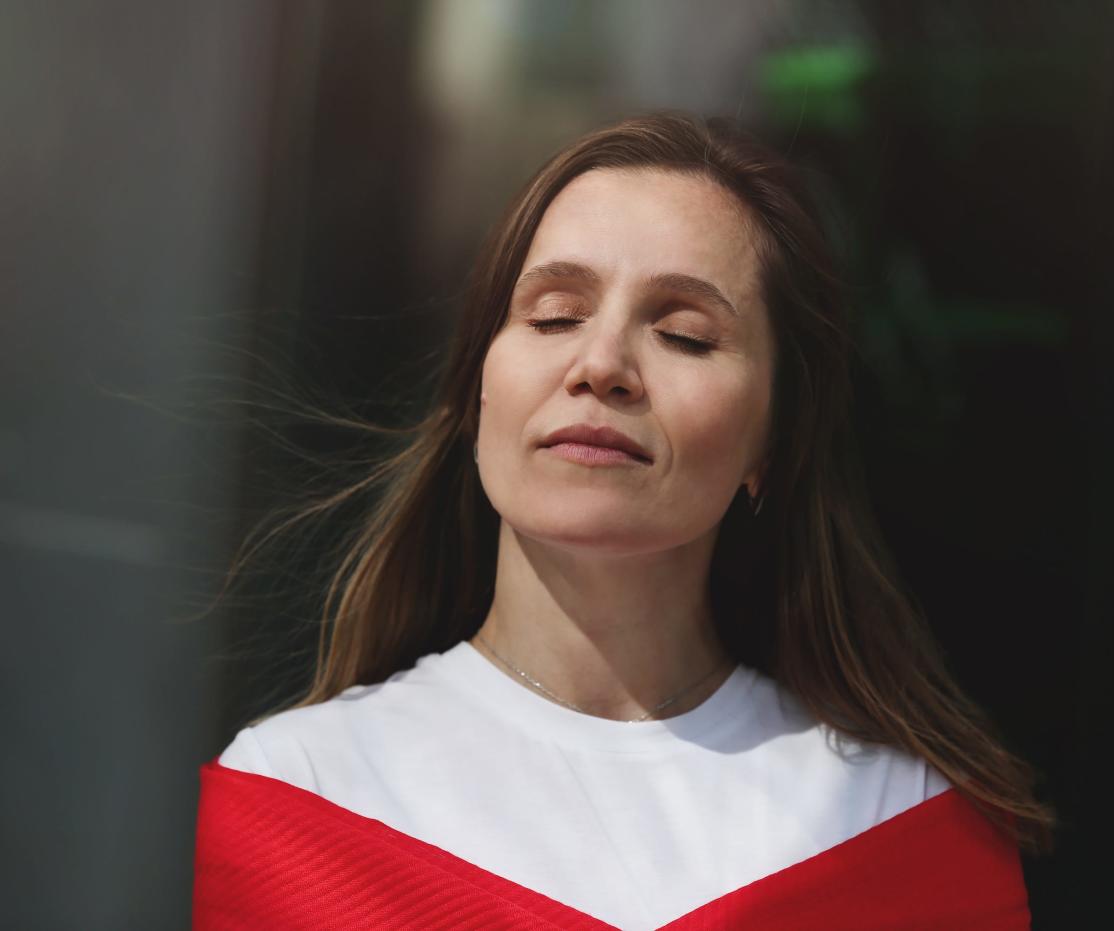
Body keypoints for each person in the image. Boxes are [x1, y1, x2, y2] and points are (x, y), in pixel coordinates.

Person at [192, 112, 1052, 929]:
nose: (600, 364)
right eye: (554, 316)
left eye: (683, 334)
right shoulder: (303, 790)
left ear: (773, 439)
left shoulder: (894, 825)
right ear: (475, 392)